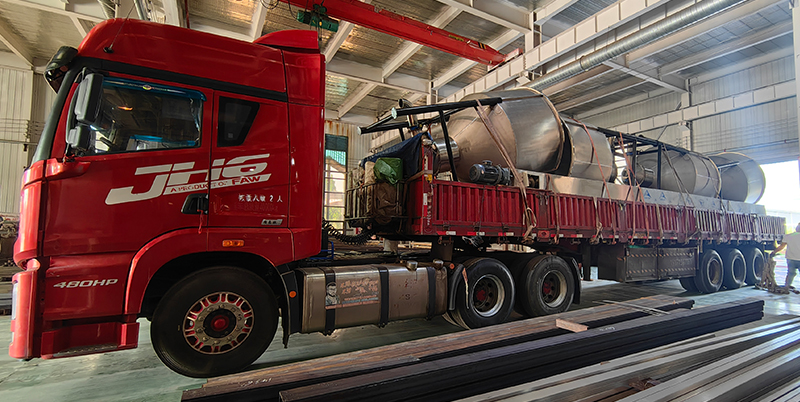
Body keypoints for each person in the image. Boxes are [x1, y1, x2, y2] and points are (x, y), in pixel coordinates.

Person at [771, 222, 800, 289]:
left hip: (790, 258)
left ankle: (787, 286)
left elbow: (782, 246)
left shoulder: (788, 236)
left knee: (791, 273)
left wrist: (774, 252)